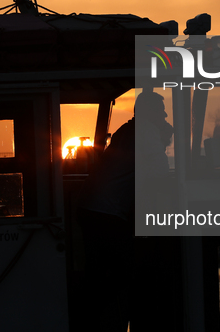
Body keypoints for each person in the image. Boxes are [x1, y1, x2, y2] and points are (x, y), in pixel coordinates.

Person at [77, 90, 173, 332]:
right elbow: (161, 172)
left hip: (92, 208)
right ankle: (99, 318)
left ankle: (94, 319)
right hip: (107, 212)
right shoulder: (147, 130)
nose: (164, 116)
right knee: (126, 270)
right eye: (160, 112)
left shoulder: (126, 130)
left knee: (101, 271)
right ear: (150, 112)